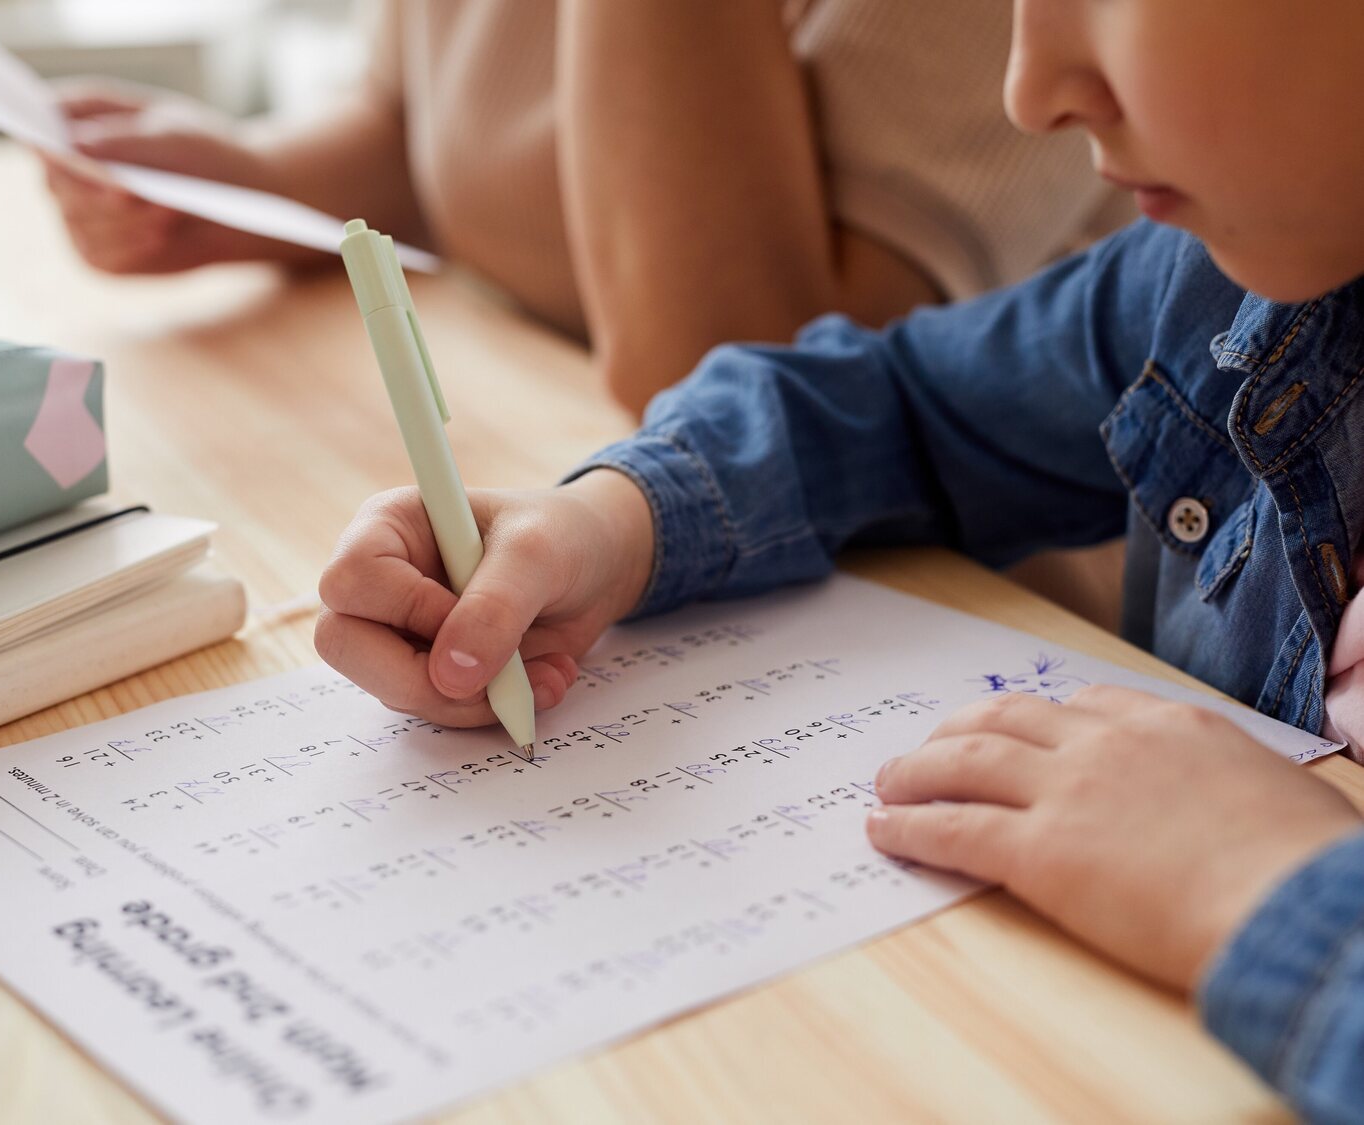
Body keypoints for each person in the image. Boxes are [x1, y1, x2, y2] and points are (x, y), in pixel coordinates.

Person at [313, 1, 1364, 1117]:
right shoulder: (1209, 290)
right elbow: (895, 407)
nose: (1031, 91)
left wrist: (1266, 886)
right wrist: (608, 526)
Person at [39, 0, 1121, 413]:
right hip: (551, 460)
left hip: (963, 632)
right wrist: (246, 187)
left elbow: (738, 376)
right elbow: (418, 128)